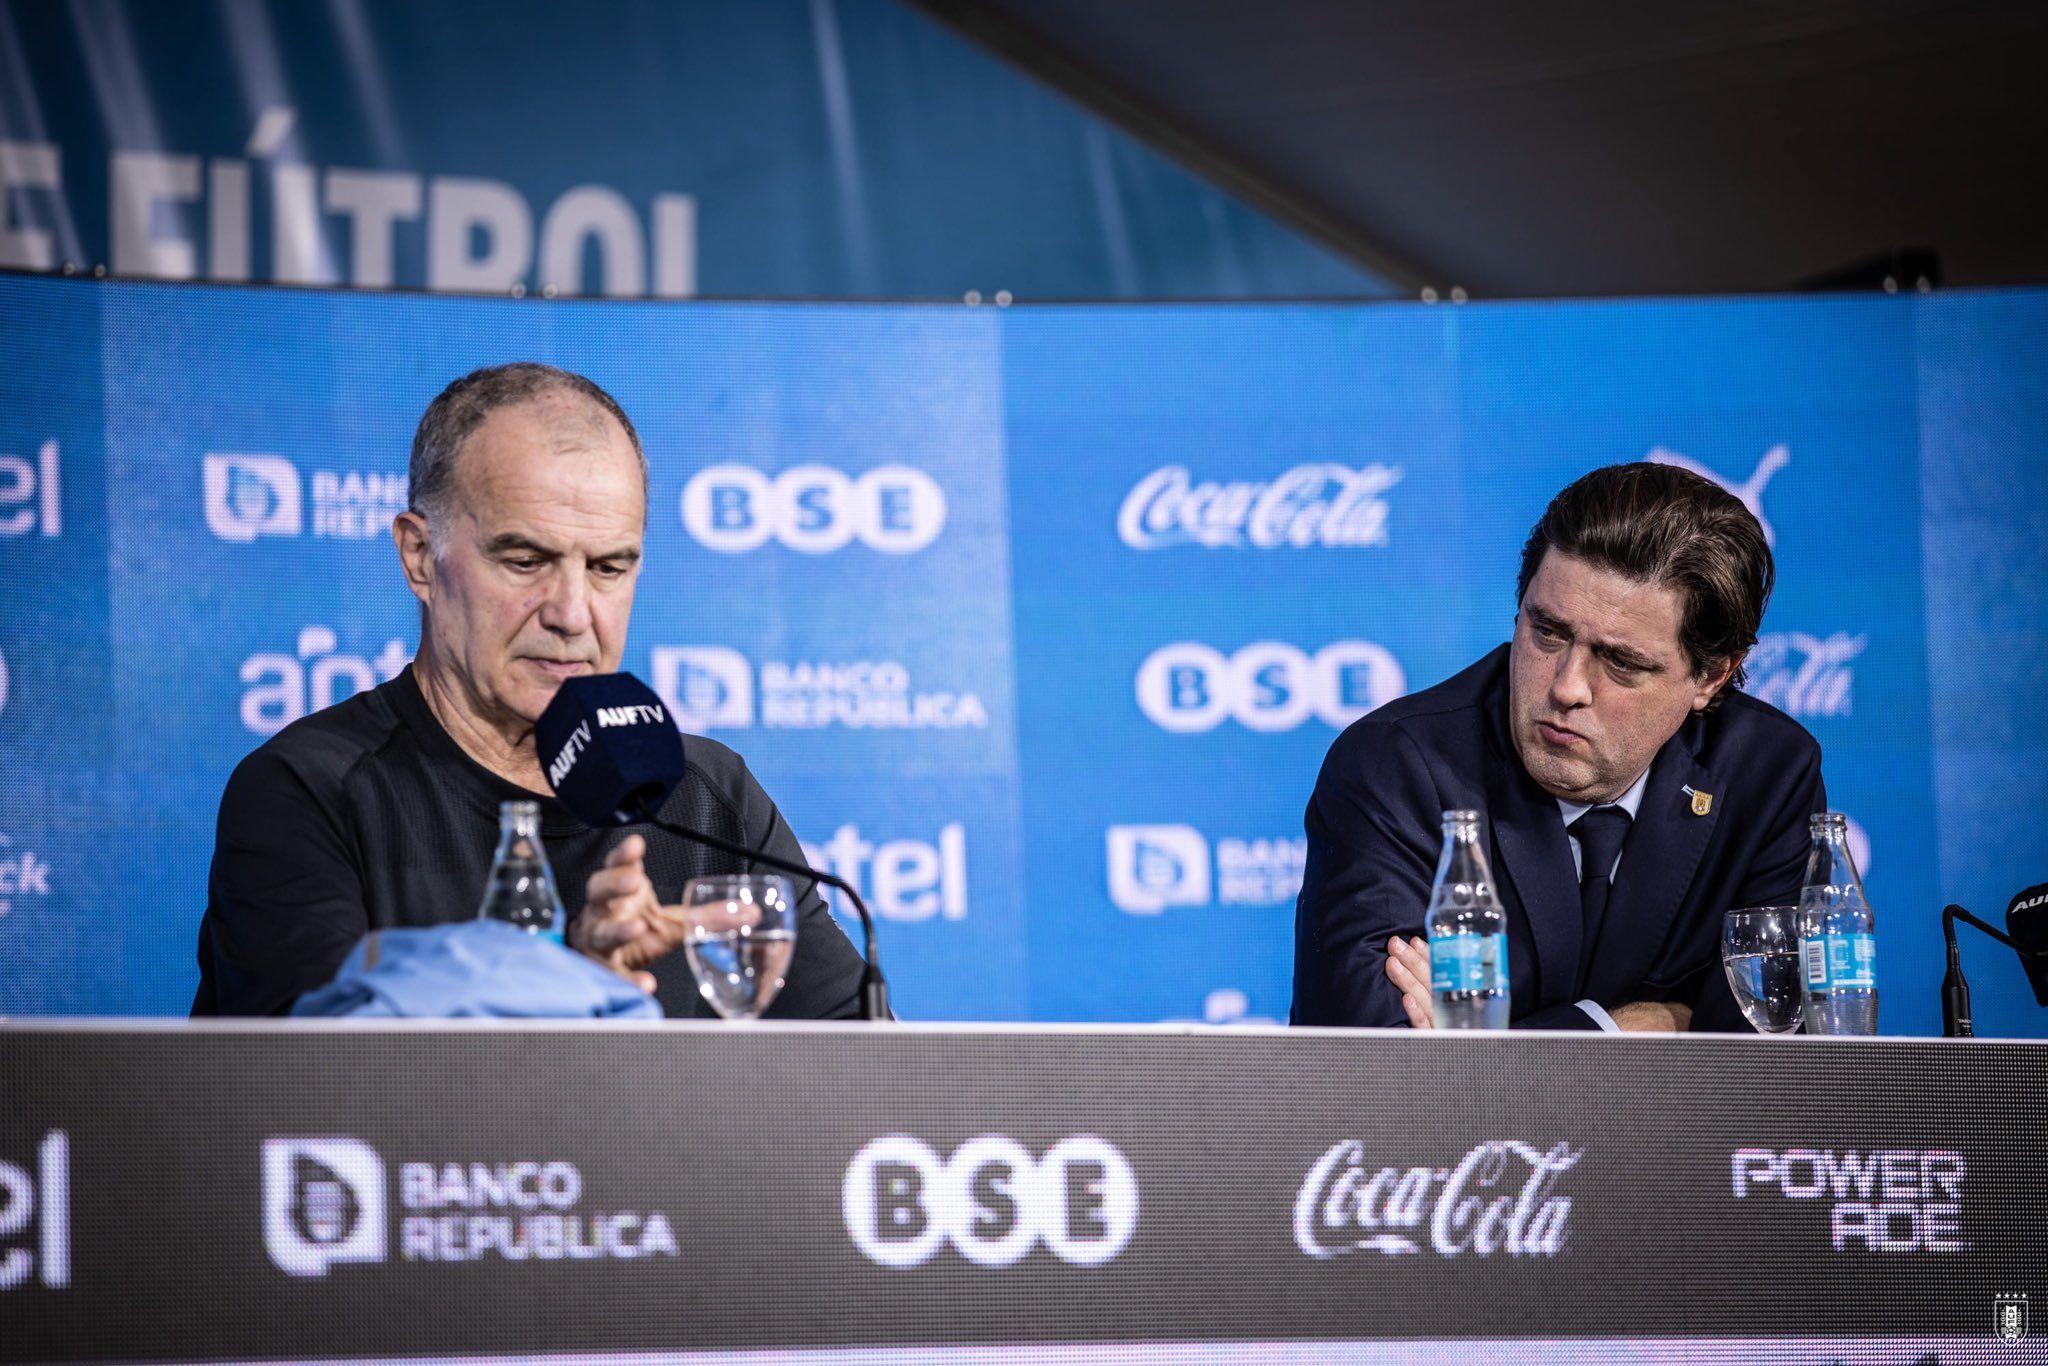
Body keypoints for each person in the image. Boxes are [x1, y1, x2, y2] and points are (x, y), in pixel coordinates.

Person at [193, 363, 867, 1018]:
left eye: (608, 568)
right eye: (525, 561)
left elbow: (866, 1066)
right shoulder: (308, 791)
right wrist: (579, 985)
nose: (571, 614)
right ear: (420, 558)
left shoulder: (707, 798)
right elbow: (308, 1077)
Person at [1291, 462, 1825, 1032]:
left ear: (1711, 677)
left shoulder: (1768, 774)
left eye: (1621, 662)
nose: (1567, 687)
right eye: (1548, 632)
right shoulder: (1395, 766)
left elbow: (1776, 1057)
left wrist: (1486, 1043)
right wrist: (1632, 1028)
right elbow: (1371, 1059)